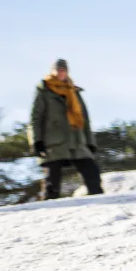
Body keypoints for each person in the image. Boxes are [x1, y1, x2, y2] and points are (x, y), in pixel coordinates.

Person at [30, 59, 103, 200]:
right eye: (58, 70)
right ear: (52, 71)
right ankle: (49, 206)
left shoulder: (73, 91)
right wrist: (36, 141)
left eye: (63, 70)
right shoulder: (44, 91)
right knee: (52, 180)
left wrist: (90, 142)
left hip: (77, 140)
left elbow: (85, 119)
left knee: (92, 172)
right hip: (54, 141)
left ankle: (99, 201)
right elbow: (36, 118)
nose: (61, 73)